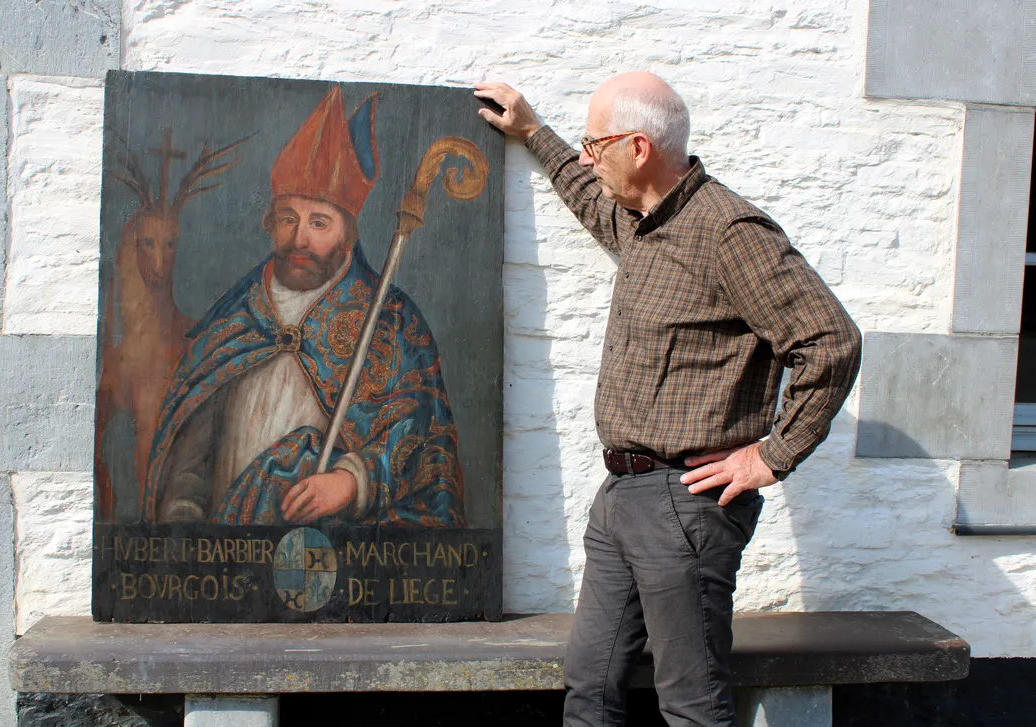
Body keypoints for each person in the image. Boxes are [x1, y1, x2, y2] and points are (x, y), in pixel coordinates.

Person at [475, 74, 861, 726]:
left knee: (691, 703)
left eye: (596, 144)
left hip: (685, 506)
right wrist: (533, 131)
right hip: (621, 499)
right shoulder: (642, 224)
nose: (588, 157)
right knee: (589, 687)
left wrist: (772, 454)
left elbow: (831, 342)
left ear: (639, 146)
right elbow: (590, 200)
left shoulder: (728, 231)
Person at [141, 85, 465, 528]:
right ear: (270, 223)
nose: (300, 240)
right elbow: (191, 460)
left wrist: (352, 482)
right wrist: (185, 524)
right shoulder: (235, 318)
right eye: (288, 219)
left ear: (348, 234)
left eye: (319, 223)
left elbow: (422, 441)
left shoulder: (390, 322)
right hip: (229, 549)